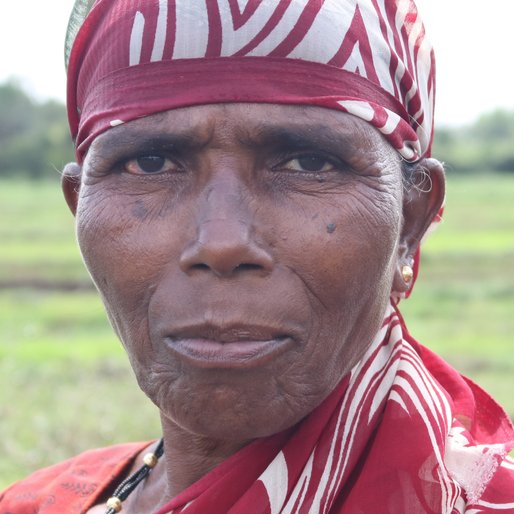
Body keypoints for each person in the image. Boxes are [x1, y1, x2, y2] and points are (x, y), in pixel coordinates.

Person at [2, 0, 514, 512]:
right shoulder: (39, 502)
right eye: (150, 163)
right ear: (78, 209)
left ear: (412, 220)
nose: (222, 244)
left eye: (308, 162)